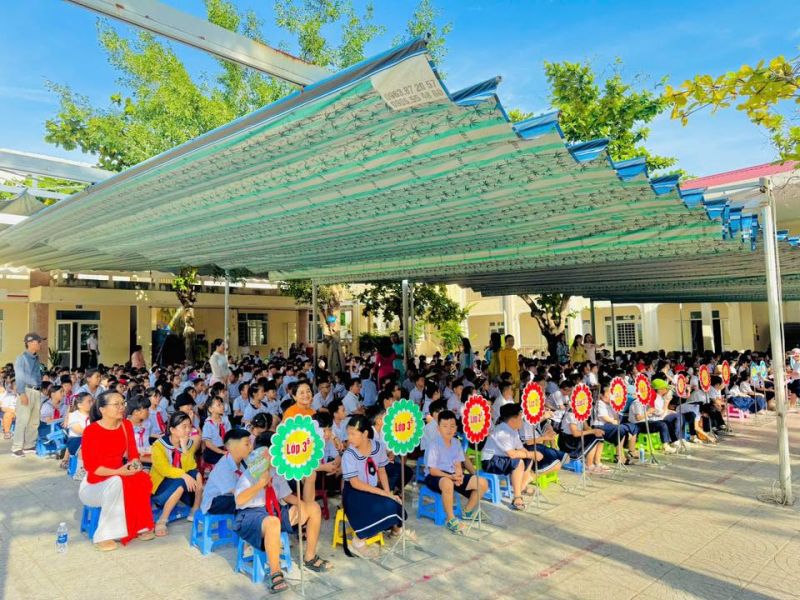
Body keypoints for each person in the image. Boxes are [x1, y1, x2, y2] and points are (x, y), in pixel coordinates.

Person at [79, 391, 155, 550]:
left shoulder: (126, 425)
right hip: (94, 485)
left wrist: (135, 466)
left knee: (142, 478)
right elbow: (92, 467)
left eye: (122, 403)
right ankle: (104, 535)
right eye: (116, 404)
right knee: (116, 482)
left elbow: (134, 456)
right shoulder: (91, 431)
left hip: (120, 474)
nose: (122, 407)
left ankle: (139, 526)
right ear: (102, 409)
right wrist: (120, 472)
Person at [342, 415, 409, 558]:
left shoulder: (377, 447)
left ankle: (396, 531)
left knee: (394, 503)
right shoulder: (349, 454)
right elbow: (355, 483)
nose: (349, 438)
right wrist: (382, 493)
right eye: (348, 434)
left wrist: (388, 493)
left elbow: (382, 471)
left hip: (371, 490)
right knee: (378, 507)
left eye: (353, 434)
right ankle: (358, 542)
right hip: (354, 493)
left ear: (365, 433)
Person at [424, 409, 488, 533]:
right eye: (445, 426)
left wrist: (459, 475)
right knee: (447, 483)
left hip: (452, 474)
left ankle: (467, 511)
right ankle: (451, 519)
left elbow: (458, 464)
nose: (449, 429)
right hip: (435, 476)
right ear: (438, 428)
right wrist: (451, 477)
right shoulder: (433, 445)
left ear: (456, 428)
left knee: (482, 483)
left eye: (452, 426)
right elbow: (433, 471)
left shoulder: (456, 443)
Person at [150, 412, 203, 534]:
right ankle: (162, 520)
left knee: (197, 475)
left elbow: (191, 467)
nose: (188, 430)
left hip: (182, 483)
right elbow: (164, 469)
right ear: (173, 430)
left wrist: (184, 448)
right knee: (180, 482)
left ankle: (195, 509)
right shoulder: (158, 445)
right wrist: (183, 475)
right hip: (161, 489)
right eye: (184, 426)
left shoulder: (188, 443)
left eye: (189, 426)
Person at [481, 404, 541, 511]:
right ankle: (517, 497)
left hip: (501, 458)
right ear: (513, 419)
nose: (522, 420)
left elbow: (521, 448)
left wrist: (531, 455)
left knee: (528, 458)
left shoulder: (513, 430)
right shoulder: (502, 432)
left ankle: (521, 487)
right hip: (490, 461)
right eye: (520, 417)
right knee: (519, 462)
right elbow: (512, 454)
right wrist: (531, 454)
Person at [202, 429, 251, 515]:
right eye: (247, 444)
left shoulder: (244, 461)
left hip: (231, 495)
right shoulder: (224, 466)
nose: (251, 447)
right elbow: (237, 493)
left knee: (251, 498)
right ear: (233, 447)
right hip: (215, 502)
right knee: (247, 501)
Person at [12, 333, 45, 457]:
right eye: (38, 341)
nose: (40, 344)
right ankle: (17, 447)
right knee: (22, 420)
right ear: (30, 343)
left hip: (36, 391)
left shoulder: (36, 358)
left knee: (34, 421)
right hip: (26, 390)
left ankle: (29, 445)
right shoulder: (21, 358)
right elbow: (19, 376)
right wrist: (21, 393)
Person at [65, 391, 93, 479]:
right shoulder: (73, 415)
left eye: (92, 401)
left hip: (89, 438)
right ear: (80, 405)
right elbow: (79, 431)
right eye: (89, 401)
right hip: (76, 441)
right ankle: (80, 471)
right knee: (85, 446)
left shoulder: (94, 415)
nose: (92, 403)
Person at [201, 396, 231, 466]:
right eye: (219, 405)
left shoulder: (225, 420)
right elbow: (208, 443)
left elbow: (230, 435)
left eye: (222, 404)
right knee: (224, 463)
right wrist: (222, 452)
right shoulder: (208, 424)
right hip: (213, 451)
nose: (222, 406)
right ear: (211, 409)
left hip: (225, 447)